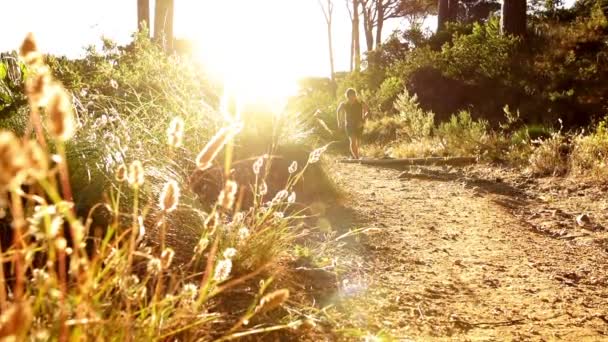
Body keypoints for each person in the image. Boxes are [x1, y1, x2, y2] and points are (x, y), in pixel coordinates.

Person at [337, 88, 369, 160]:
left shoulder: (360, 103)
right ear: (347, 97)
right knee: (353, 140)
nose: (352, 98)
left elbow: (368, 111)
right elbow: (338, 111)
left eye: (353, 95)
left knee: (358, 142)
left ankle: (357, 155)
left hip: (359, 124)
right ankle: (356, 157)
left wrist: (363, 121)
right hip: (349, 125)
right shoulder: (344, 104)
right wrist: (339, 121)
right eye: (350, 96)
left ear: (355, 95)